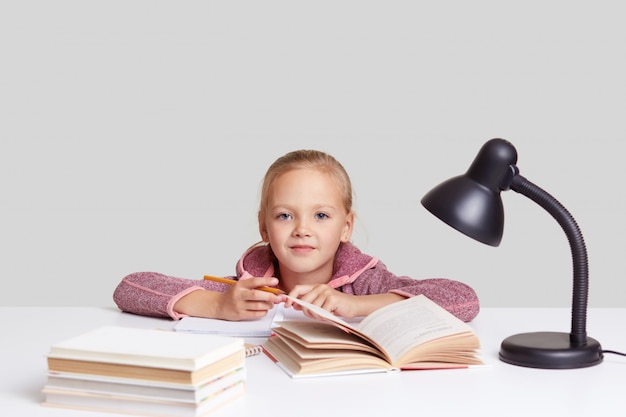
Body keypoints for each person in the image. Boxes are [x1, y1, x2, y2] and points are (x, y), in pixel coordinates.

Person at [113, 150, 479, 322]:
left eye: (321, 215)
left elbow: (463, 300)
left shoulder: (369, 285)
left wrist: (354, 306)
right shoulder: (247, 290)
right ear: (264, 227)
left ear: (346, 227)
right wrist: (219, 305)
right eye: (285, 215)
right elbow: (131, 287)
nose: (302, 228)